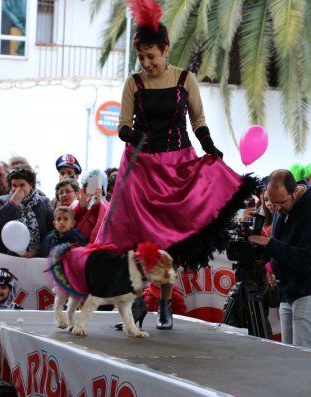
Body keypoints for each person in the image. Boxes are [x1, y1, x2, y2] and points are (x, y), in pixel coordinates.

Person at [95, 1, 256, 330]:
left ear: (166, 49)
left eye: (151, 56)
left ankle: (166, 302)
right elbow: (122, 125)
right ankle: (138, 301)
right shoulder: (133, 83)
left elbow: (198, 119)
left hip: (177, 165)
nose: (146, 63)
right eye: (141, 57)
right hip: (140, 168)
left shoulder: (186, 79)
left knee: (171, 242)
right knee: (136, 239)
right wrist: (131, 133)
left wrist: (209, 147)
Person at [248, 169, 311, 350]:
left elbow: (306, 259)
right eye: (272, 202)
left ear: (295, 191)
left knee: (307, 361)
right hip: (290, 290)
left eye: (281, 202)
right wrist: (267, 258)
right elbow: (283, 245)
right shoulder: (284, 205)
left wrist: (269, 244)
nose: (277, 208)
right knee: (289, 356)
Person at [0, 167, 54, 257]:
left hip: (36, 259)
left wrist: (39, 250)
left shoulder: (44, 202)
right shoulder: (1, 201)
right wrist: (12, 204)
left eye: (22, 185)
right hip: (9, 258)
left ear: (31, 185)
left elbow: (52, 231)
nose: (18, 189)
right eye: (14, 185)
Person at [74, 170, 109, 243]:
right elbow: (69, 223)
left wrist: (97, 206)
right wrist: (81, 208)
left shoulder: (108, 207)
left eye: (97, 185)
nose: (94, 188)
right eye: (90, 185)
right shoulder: (75, 203)